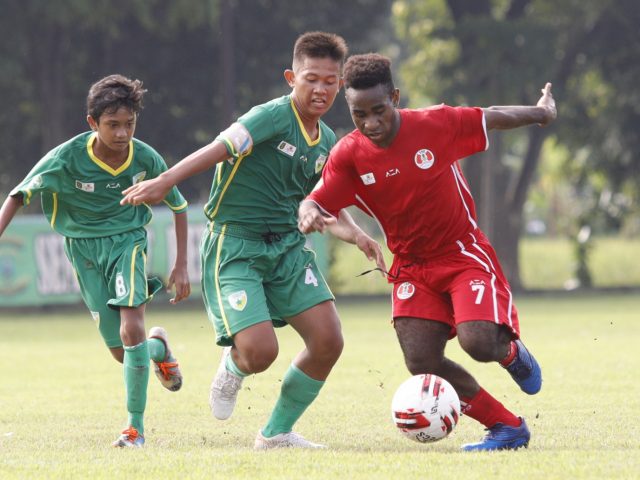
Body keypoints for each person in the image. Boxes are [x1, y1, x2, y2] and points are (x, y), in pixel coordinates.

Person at [121, 32, 384, 449]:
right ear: (290, 78)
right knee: (261, 353)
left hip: (288, 248)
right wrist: (166, 180)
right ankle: (236, 365)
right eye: (311, 78)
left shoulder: (327, 142)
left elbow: (322, 203)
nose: (321, 89)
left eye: (330, 81)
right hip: (236, 246)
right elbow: (220, 148)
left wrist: (356, 234)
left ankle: (276, 432)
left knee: (329, 340)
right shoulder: (270, 117)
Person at [298, 53, 556, 451]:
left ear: (396, 97)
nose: (371, 123)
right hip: (412, 268)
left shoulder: (435, 124)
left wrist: (540, 113)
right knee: (420, 361)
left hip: (461, 255)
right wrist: (308, 212)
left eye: (379, 111)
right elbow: (317, 199)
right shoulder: (349, 154)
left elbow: (492, 116)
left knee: (479, 343)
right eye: (359, 114)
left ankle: (509, 351)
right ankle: (507, 428)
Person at [0, 74, 191, 448]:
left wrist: (181, 264)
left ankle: (134, 429)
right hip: (83, 250)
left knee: (131, 328)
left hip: (128, 243)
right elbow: (18, 196)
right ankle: (159, 349)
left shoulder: (146, 157)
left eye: (129, 124)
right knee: (124, 353)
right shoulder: (65, 158)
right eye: (112, 125)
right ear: (92, 123)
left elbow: (179, 205)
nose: (122, 134)